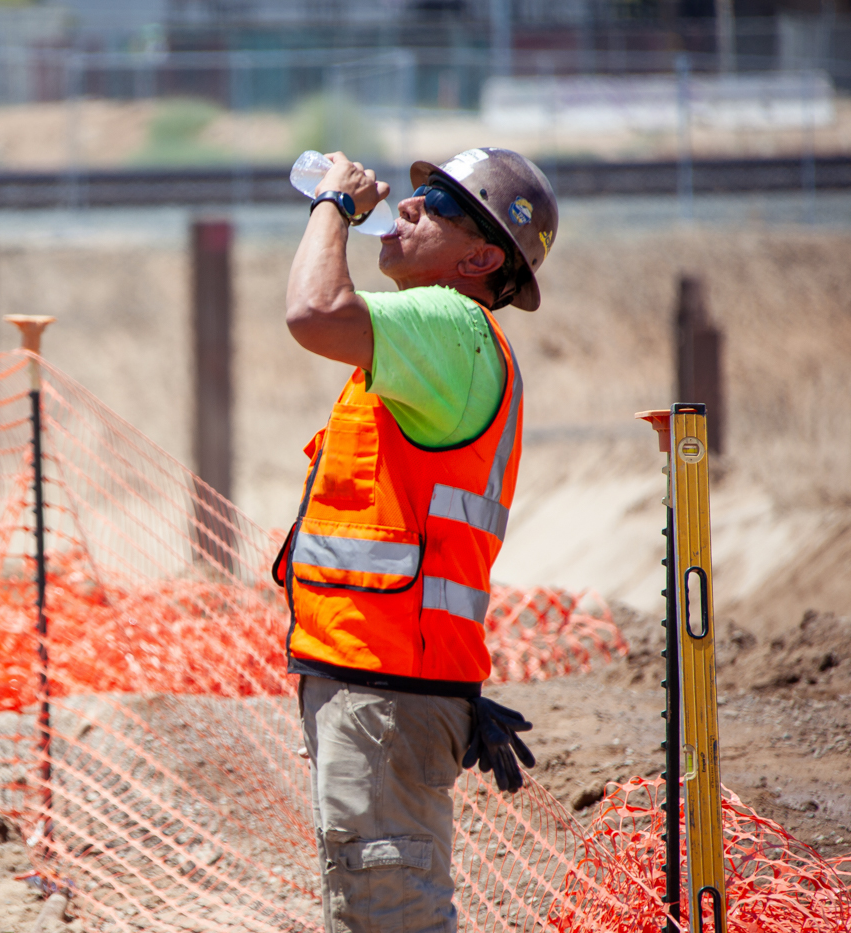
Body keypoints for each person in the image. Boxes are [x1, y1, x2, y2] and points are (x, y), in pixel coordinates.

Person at [277, 148, 557, 933]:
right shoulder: (432, 348)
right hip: (387, 687)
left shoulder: (449, 323)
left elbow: (313, 311)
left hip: (387, 691)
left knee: (388, 914)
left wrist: (331, 204)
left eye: (436, 201)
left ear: (481, 257)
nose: (406, 205)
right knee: (376, 904)